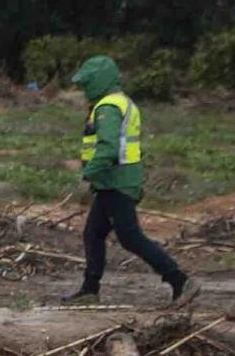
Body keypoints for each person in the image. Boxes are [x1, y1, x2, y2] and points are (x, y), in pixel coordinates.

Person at [62, 55, 199, 307]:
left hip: (116, 182)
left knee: (130, 237)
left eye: (86, 84)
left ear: (98, 82)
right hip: (112, 183)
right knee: (93, 233)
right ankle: (90, 289)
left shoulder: (107, 108)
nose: (83, 91)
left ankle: (179, 280)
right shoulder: (121, 103)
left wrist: (88, 173)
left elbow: (108, 146)